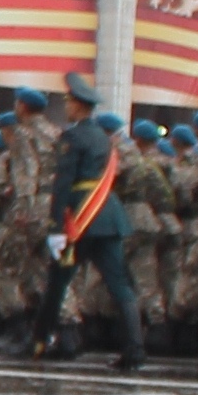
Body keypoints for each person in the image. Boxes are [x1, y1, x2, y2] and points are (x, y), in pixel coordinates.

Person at [35, 104, 146, 369]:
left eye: (69, 104)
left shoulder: (72, 137)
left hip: (81, 218)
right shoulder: (104, 139)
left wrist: (55, 227)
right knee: (119, 285)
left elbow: (63, 183)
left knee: (57, 283)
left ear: (75, 107)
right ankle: (134, 349)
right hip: (108, 215)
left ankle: (41, 341)